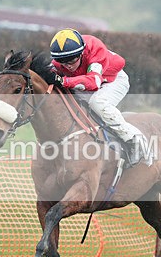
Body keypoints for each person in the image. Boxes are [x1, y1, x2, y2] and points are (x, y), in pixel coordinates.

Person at [46, 28, 149, 167]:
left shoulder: (95, 49)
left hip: (113, 80)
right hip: (88, 81)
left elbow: (94, 82)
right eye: (62, 62)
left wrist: (64, 81)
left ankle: (133, 141)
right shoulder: (60, 61)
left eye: (71, 60)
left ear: (81, 53)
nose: (68, 66)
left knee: (98, 103)